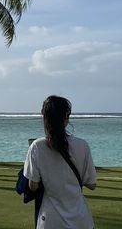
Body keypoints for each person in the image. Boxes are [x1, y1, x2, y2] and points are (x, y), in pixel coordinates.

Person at [23, 95, 97, 228]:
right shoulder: (82, 145)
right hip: (81, 220)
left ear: (45, 118)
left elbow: (32, 185)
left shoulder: (37, 146)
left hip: (50, 221)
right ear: (66, 119)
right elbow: (91, 184)